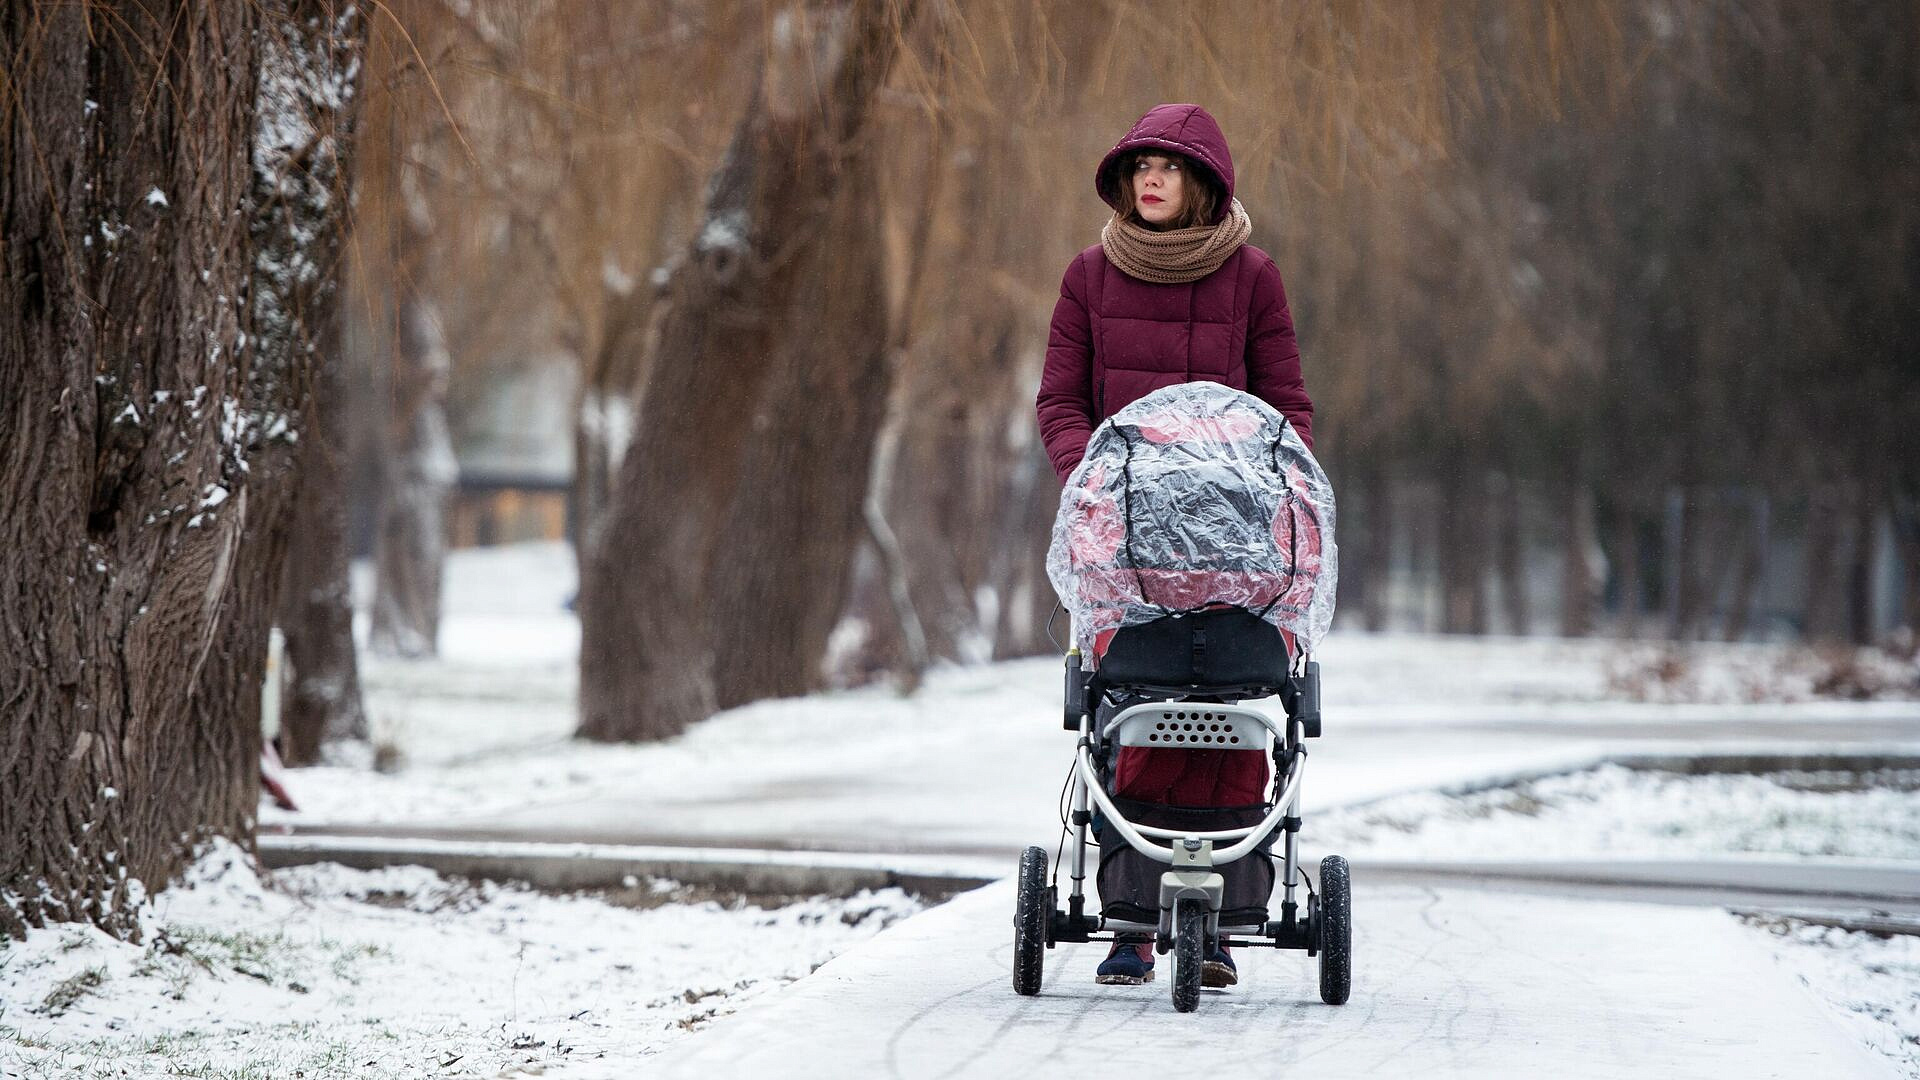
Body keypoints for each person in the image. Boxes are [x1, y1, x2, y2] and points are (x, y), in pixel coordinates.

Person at [1035, 103, 1315, 989]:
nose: (1149, 180)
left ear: (1203, 182)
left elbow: (1286, 409)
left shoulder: (1254, 278)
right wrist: (1096, 485)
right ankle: (1130, 919)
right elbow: (1060, 401)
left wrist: (1274, 495)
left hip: (1232, 530)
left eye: (1168, 167)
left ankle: (1225, 915)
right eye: (1138, 167)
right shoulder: (1088, 278)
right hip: (1122, 535)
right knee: (1135, 700)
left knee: (1230, 697)